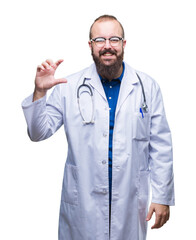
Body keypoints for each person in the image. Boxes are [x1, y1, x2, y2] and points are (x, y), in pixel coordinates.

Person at [22, 15, 175, 240]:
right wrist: (40, 92)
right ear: (90, 45)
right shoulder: (68, 87)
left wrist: (162, 196)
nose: (107, 46)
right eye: (99, 40)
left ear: (124, 44)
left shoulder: (146, 87)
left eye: (114, 39)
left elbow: (161, 146)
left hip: (130, 201)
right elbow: (37, 133)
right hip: (83, 203)